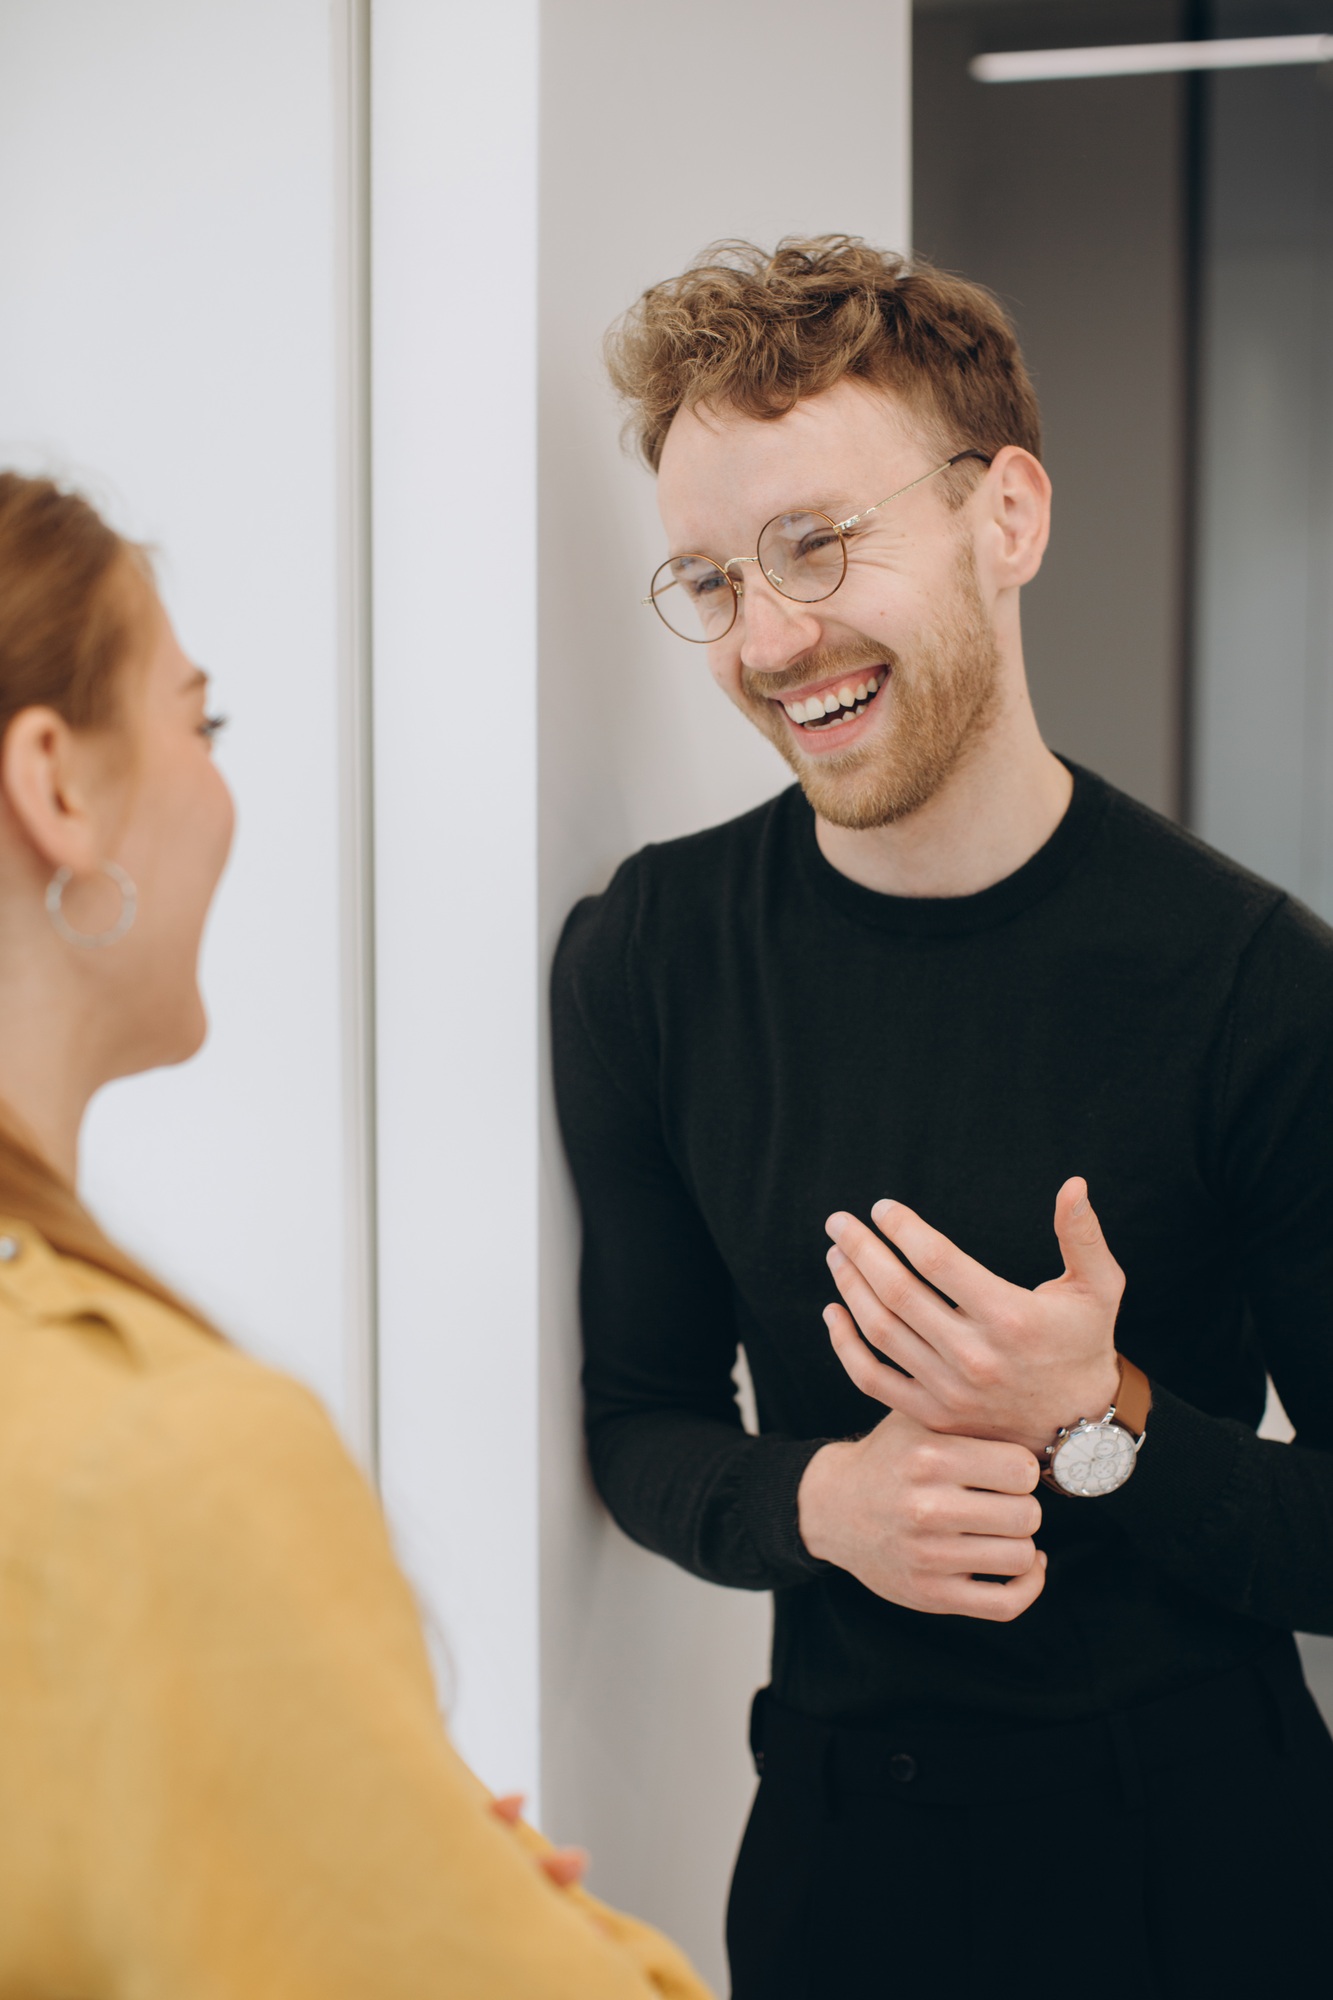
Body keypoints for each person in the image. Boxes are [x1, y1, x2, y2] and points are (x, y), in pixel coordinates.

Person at [551, 237, 1333, 1999]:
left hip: (1210, 1871)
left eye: (818, 544)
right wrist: (823, 1503)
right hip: (841, 1870)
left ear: (1008, 520)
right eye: (711, 578)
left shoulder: (1258, 988)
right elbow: (640, 1418)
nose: (769, 640)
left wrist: (1097, 1417)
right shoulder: (649, 959)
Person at [0, 470, 712, 2000]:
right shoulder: (165, 1461)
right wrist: (502, 1908)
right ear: (54, 785)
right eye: (201, 722)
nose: (219, 786)